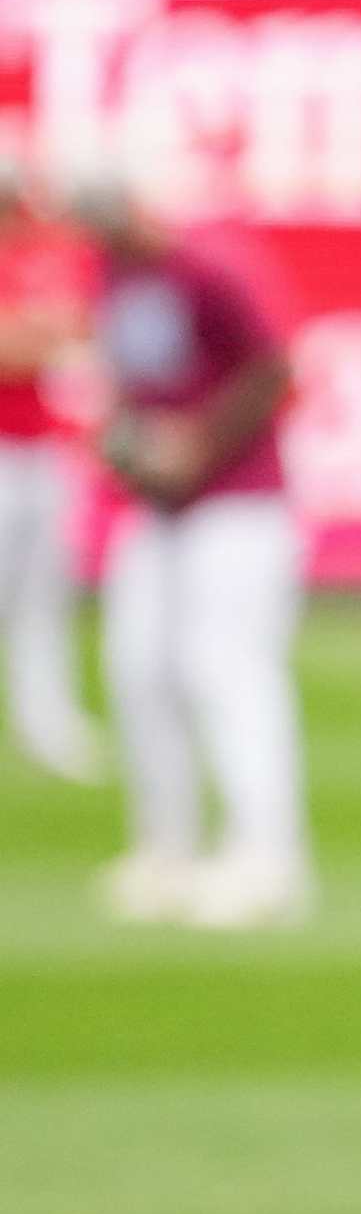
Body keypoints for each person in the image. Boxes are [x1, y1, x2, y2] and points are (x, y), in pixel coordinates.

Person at [71, 175, 313, 930]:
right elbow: (131, 380)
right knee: (139, 667)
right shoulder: (111, 272)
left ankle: (268, 857)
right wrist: (124, 441)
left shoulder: (208, 268)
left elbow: (275, 368)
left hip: (239, 505)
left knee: (228, 670)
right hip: (159, 509)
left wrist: (198, 443)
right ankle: (166, 848)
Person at [0, 161, 100, 783]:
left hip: (46, 449)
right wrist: (42, 335)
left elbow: (83, 327)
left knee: (45, 598)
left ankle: (47, 721)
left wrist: (35, 334)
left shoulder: (52, 253)